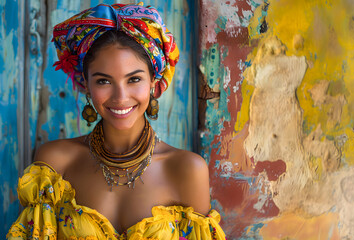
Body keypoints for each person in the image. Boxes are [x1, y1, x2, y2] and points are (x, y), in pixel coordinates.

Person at [7, 3, 226, 239]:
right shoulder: (55, 164)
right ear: (86, 84)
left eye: (134, 79)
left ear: (154, 81)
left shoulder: (187, 170)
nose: (121, 98)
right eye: (103, 81)